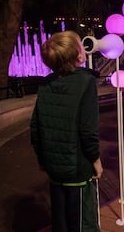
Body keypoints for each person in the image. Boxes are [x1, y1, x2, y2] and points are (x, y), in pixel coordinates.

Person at [30, 31, 103, 231]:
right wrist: (95, 161)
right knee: (82, 222)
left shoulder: (45, 84)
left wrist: (44, 161)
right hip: (78, 170)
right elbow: (88, 131)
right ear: (79, 55)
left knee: (60, 222)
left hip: (55, 170)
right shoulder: (86, 83)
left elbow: (35, 130)